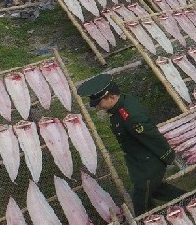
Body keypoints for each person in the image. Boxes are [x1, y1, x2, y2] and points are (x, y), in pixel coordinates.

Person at [76, 74, 184, 215]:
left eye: (99, 103)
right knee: (156, 189)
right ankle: (190, 198)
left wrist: (168, 156)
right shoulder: (121, 105)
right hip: (138, 159)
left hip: (149, 163)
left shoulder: (130, 116)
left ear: (111, 97)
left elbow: (152, 137)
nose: (98, 107)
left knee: (140, 199)